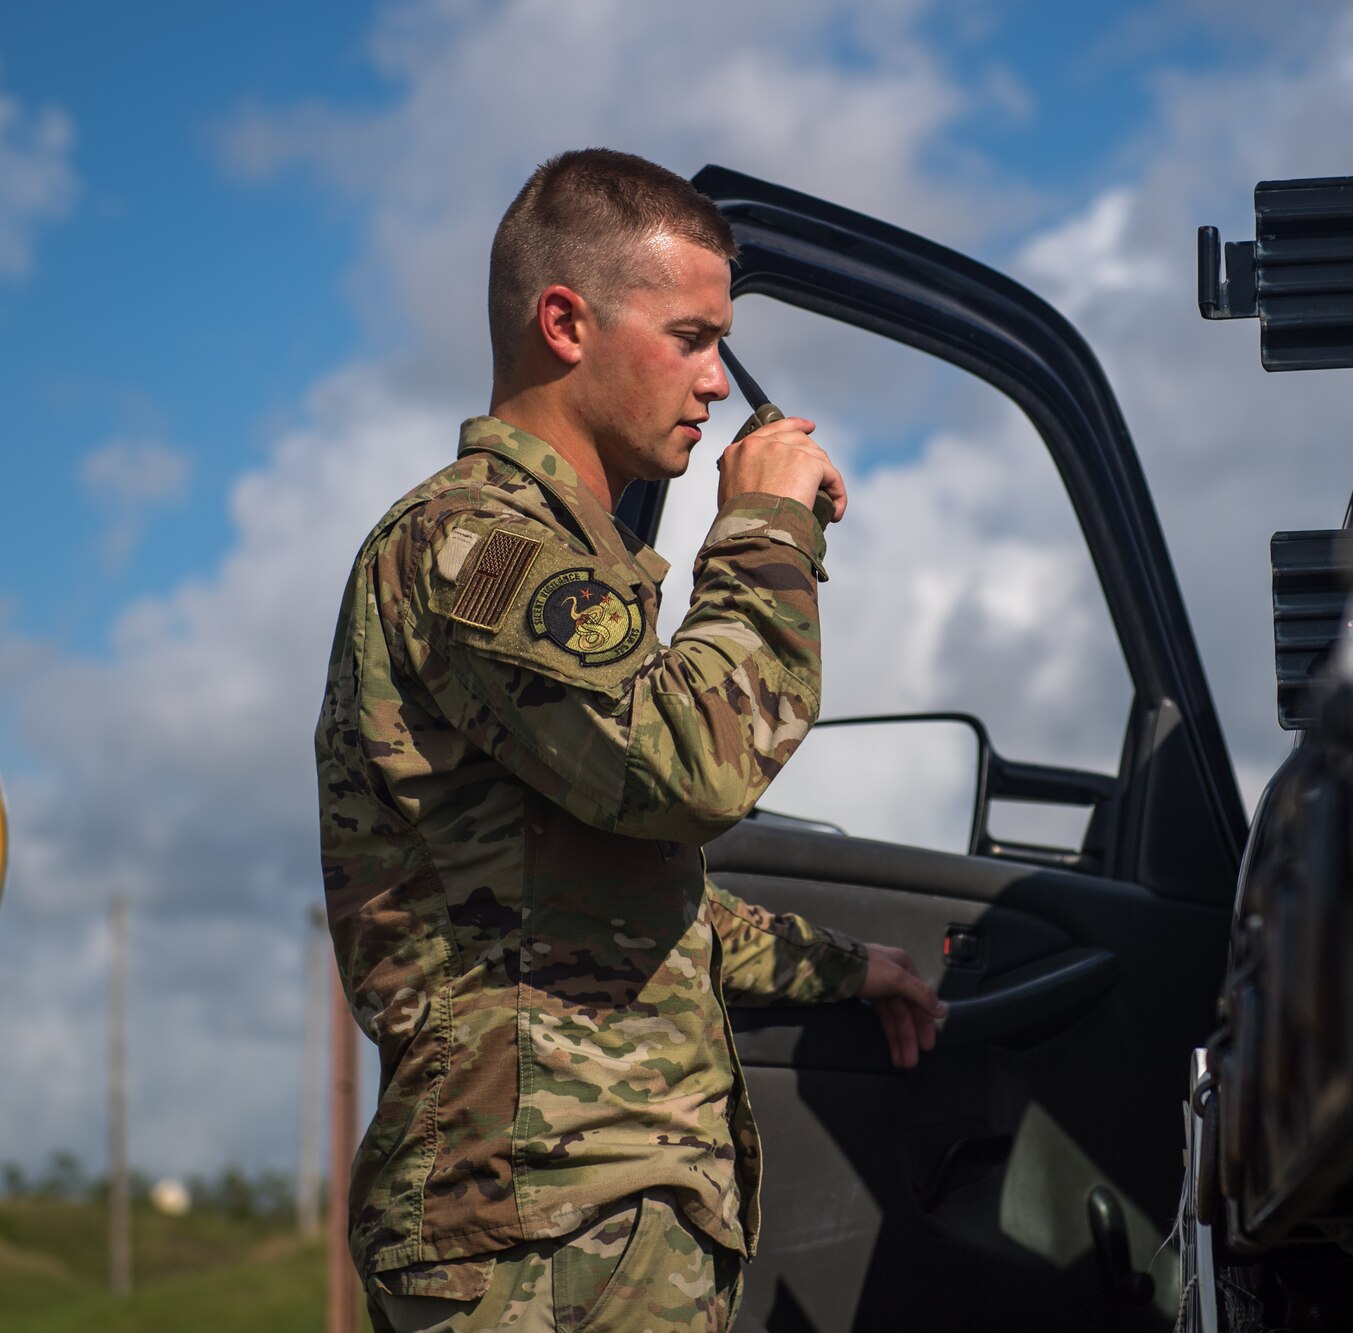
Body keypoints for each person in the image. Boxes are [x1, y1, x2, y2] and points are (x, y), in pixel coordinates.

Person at [315, 148, 945, 1333]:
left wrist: (844, 968)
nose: (717, 383)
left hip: (586, 1219)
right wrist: (761, 527)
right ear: (566, 321)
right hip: (538, 1229)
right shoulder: (473, 545)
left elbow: (608, 902)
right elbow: (686, 767)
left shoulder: (566, 560)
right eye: (691, 336)